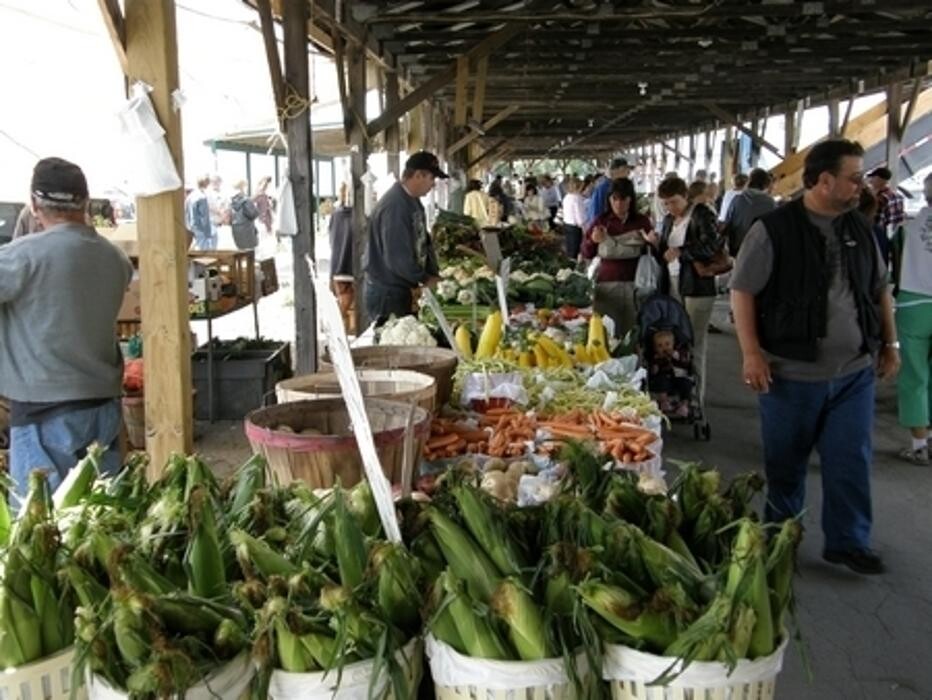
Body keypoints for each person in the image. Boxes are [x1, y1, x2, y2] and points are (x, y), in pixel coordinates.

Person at [731, 139, 898, 575]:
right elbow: (742, 291)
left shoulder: (858, 227)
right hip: (791, 374)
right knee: (785, 464)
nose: (861, 186)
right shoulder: (774, 229)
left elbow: (880, 289)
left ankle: (848, 541)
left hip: (854, 372)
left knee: (850, 460)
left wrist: (890, 343)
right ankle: (779, 539)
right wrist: (751, 353)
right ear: (824, 180)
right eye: (853, 177)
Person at [0, 158, 133, 497]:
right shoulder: (115, 259)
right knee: (102, 518)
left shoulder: (20, 257)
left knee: (44, 531)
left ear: (34, 205)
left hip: (44, 414)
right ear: (85, 202)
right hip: (104, 409)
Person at [657, 176, 724, 408]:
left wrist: (681, 252)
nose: (669, 207)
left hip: (697, 286)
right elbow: (665, 249)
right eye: (665, 203)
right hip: (674, 284)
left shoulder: (702, 214)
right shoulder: (667, 220)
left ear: (685, 196)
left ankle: (696, 398)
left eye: (673, 202)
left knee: (694, 341)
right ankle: (680, 393)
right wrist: (655, 243)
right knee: (675, 342)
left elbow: (711, 246)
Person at [363, 151, 446, 326]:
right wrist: (425, 278)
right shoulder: (395, 206)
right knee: (391, 345)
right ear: (418, 175)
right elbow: (397, 258)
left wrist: (432, 272)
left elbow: (424, 240)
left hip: (399, 289)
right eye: (432, 178)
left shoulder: (413, 201)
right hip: (387, 293)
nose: (433, 185)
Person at [581, 178, 657, 339]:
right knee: (607, 335)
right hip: (607, 285)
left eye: (623, 199)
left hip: (636, 286)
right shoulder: (601, 221)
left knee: (633, 335)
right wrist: (592, 240)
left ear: (631, 199)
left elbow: (654, 254)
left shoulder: (641, 221)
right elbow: (586, 253)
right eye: (614, 198)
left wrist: (654, 243)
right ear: (609, 199)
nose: (618, 203)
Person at [890, 172, 932, 465]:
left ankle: (920, 443)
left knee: (914, 374)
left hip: (914, 302)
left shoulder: (907, 227)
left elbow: (894, 266)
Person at [723, 168, 776, 257]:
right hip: (758, 251)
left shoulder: (736, 199)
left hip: (736, 250)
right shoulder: (769, 202)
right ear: (766, 184)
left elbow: (728, 223)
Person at [866, 166, 905, 268]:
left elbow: (874, 219)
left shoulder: (880, 199)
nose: (870, 181)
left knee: (878, 263)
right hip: (894, 235)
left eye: (872, 178)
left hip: (879, 234)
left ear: (879, 179)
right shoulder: (898, 196)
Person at [647, 329, 691, 417]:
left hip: (679, 377)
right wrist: (655, 367)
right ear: (655, 348)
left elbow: (685, 362)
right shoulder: (656, 358)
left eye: (667, 344)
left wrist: (676, 356)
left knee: (686, 384)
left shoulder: (678, 354)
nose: (664, 348)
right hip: (664, 378)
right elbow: (653, 371)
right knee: (660, 381)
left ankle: (684, 405)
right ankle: (664, 402)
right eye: (660, 346)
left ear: (673, 344)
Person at [585, 158, 631, 227]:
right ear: (615, 170)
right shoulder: (604, 187)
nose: (628, 173)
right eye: (624, 170)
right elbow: (595, 212)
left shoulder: (617, 185)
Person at [184, 176, 214, 250]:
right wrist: (208, 233)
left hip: (189, 228)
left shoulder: (189, 196)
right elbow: (205, 217)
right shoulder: (202, 197)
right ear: (207, 184)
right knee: (204, 254)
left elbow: (185, 212)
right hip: (200, 229)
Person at [561, 176, 586, 259]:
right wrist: (584, 228)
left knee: (569, 248)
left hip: (567, 224)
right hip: (575, 227)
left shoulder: (566, 197)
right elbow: (579, 216)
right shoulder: (577, 198)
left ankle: (569, 266)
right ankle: (574, 268)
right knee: (575, 250)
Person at [230, 180, 260, 250]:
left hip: (236, 230)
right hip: (247, 231)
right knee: (250, 254)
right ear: (244, 187)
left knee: (241, 253)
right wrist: (257, 209)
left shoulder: (233, 200)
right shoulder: (246, 200)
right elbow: (252, 214)